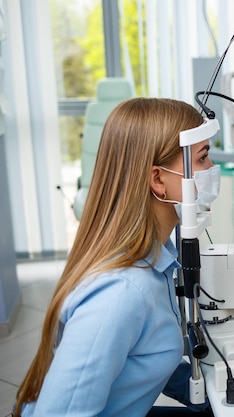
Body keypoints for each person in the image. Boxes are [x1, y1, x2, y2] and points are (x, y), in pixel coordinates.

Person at [14, 98, 217, 416]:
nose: (211, 171)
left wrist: (210, 393)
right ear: (158, 180)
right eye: (202, 159)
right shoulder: (121, 292)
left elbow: (143, 356)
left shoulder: (157, 257)